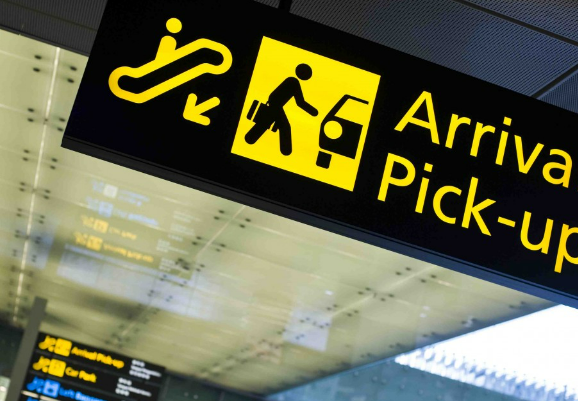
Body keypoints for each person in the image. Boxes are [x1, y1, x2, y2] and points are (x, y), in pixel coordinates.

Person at [245, 64, 318, 156]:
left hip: (274, 103)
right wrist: (314, 112)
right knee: (284, 126)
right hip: (276, 105)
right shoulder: (293, 82)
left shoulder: (292, 81)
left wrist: (313, 112)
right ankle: (285, 150)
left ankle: (250, 138)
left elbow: (299, 102)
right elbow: (300, 102)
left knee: (266, 122)